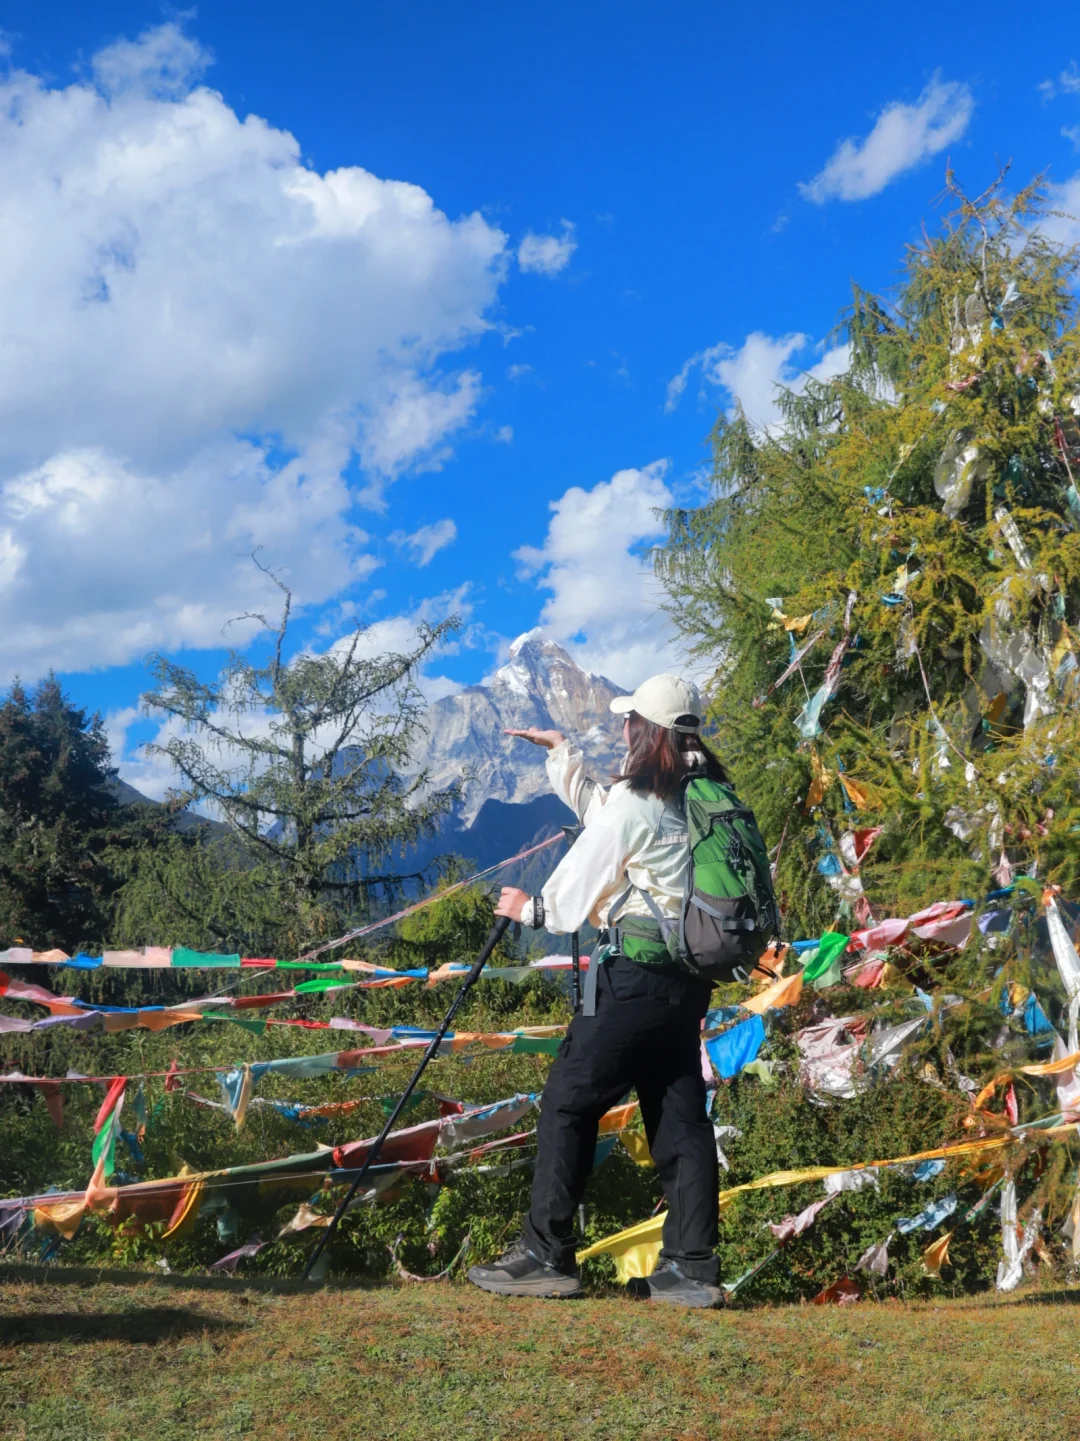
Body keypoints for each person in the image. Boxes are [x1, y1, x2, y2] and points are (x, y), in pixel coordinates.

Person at [467, 673, 727, 1308]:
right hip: (689, 982)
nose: (622, 728)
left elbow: (574, 889)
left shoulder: (641, 804)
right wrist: (561, 753)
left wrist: (531, 910)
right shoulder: (707, 794)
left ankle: (546, 1254)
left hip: (633, 978)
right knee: (679, 1116)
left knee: (566, 1100)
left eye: (629, 720)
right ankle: (692, 1267)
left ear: (647, 730)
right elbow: (607, 813)